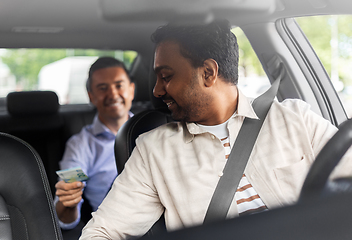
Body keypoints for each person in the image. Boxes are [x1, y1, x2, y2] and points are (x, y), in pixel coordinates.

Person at [79, 20, 352, 239]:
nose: (156, 90)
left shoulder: (294, 117)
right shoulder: (154, 151)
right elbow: (101, 232)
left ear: (208, 72)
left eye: (167, 76)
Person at [54, 57, 135, 230]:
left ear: (132, 90)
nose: (113, 94)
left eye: (119, 85)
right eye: (103, 88)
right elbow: (65, 218)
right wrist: (68, 201)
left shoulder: (154, 130)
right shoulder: (79, 146)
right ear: (91, 96)